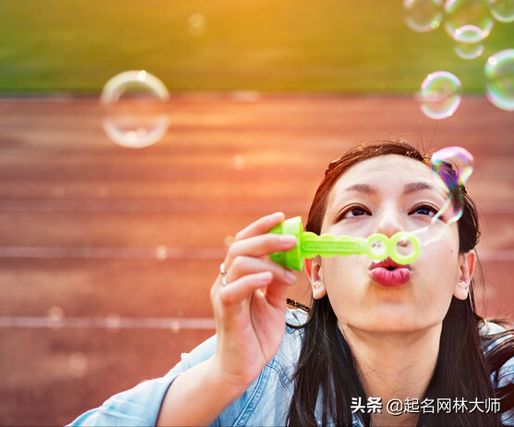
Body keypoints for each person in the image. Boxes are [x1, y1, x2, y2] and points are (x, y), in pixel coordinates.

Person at [69, 141, 514, 426]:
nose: (389, 230)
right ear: (317, 272)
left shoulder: (506, 381)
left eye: (422, 210)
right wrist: (223, 378)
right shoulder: (259, 369)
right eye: (357, 211)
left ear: (462, 271)